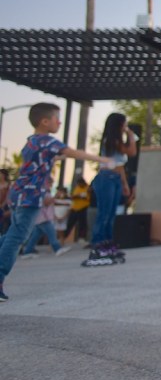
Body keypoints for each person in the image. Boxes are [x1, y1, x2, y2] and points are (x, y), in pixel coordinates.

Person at [0, 103, 111, 301]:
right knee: (17, 238)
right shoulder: (47, 140)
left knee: (13, 235)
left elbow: (53, 156)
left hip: (20, 193)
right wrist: (102, 160)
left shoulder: (32, 141)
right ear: (44, 122)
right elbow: (71, 152)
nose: (59, 122)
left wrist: (56, 159)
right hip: (30, 195)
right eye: (56, 118)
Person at [85, 113, 134, 266]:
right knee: (104, 214)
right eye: (124, 124)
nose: (125, 127)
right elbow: (131, 152)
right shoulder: (111, 141)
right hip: (106, 178)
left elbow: (121, 166)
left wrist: (125, 184)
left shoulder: (117, 141)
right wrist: (131, 136)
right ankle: (97, 246)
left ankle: (107, 245)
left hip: (116, 179)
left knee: (111, 215)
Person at [20, 177, 71, 258]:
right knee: (52, 233)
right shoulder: (42, 191)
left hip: (41, 217)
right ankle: (57, 249)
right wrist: (55, 197)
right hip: (43, 217)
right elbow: (46, 202)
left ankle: (27, 251)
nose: (51, 185)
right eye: (50, 183)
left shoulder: (42, 191)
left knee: (35, 236)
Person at [63, 176, 90, 245]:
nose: (79, 185)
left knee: (82, 224)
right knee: (70, 223)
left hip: (83, 208)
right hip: (74, 208)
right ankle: (63, 237)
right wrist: (77, 196)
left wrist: (81, 197)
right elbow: (74, 196)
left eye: (80, 184)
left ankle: (81, 238)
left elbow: (88, 198)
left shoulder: (87, 188)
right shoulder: (77, 188)